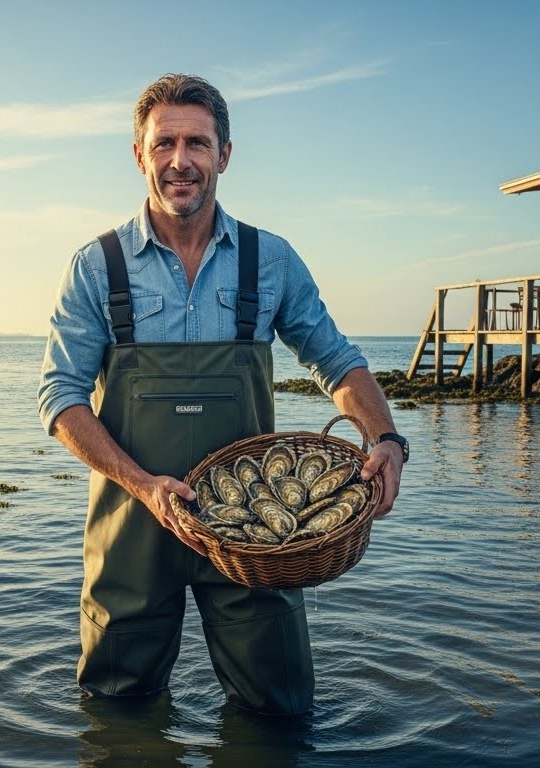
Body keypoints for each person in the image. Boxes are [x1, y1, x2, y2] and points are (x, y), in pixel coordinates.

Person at [37, 73, 406, 716]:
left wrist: (386, 438)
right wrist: (144, 485)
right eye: (164, 144)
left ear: (224, 155)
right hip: (132, 524)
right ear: (139, 154)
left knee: (280, 708)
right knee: (116, 712)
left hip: (260, 535)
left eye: (198, 144)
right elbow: (60, 398)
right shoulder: (97, 266)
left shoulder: (271, 260)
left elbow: (336, 360)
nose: (181, 161)